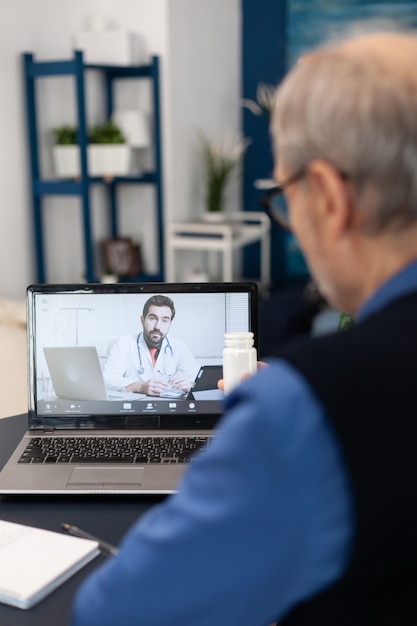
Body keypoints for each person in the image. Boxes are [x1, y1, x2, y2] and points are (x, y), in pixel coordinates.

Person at [72, 28, 417, 626]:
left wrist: (272, 420)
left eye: (283, 196)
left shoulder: (307, 408)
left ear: (331, 199)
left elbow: (115, 612)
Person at [103, 294, 198, 396]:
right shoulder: (124, 343)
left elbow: (196, 376)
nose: (157, 326)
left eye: (165, 320)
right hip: (135, 407)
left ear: (170, 323)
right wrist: (139, 386)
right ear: (142, 320)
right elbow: (107, 380)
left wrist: (190, 384)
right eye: (152, 318)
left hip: (170, 407)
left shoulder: (179, 346)